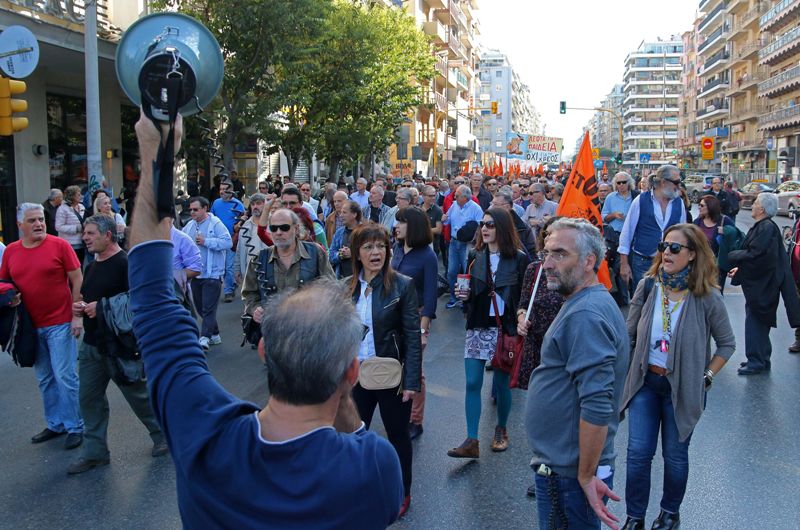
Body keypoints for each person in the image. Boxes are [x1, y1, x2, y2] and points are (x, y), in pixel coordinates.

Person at [128, 111, 403, 527]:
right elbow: (156, 304)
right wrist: (347, 402)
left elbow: (153, 303)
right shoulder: (375, 465)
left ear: (265, 351)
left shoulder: (205, 433)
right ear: (351, 371)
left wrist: (157, 154)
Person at [621, 224, 734, 530]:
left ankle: (670, 512)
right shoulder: (648, 286)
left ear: (693, 254)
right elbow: (627, 335)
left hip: (683, 389)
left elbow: (727, 344)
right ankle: (634, 517)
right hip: (646, 384)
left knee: (674, 456)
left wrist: (707, 376)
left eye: (675, 248)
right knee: (638, 454)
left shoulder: (707, 296)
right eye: (663, 246)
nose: (666, 253)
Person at [525, 217, 628, 530]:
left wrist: (585, 474)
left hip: (569, 474)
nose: (548, 264)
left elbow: (597, 403)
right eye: (545, 254)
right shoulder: (584, 302)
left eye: (559, 254)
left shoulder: (585, 313)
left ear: (589, 262)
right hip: (567, 468)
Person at [67, 215, 168, 474]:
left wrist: (100, 308)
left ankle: (163, 436)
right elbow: (90, 297)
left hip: (119, 345)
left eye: (90, 233)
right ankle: (95, 452)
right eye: (84, 233)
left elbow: (140, 299)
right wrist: (81, 309)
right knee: (88, 399)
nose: (85, 238)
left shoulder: (126, 263)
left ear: (108, 235)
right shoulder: (91, 265)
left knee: (138, 394)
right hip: (91, 344)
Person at [348, 222, 422, 518]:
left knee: (398, 437)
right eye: (368, 247)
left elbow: (412, 337)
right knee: (353, 437)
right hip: (354, 375)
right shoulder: (347, 287)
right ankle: (358, 490)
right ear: (357, 254)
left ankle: (402, 491)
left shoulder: (403, 285)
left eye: (381, 246)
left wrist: (412, 380)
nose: (375, 252)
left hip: (390, 375)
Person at [1, 203, 84, 449]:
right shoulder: (12, 251)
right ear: (19, 225)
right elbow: (5, 281)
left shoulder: (60, 245)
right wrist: (10, 295)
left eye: (41, 219)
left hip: (60, 322)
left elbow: (77, 278)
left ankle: (75, 426)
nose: (39, 224)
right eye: (32, 220)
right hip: (30, 325)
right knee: (45, 378)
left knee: (64, 376)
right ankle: (56, 423)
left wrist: (76, 314)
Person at [447, 208, 528, 459]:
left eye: (491, 224)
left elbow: (524, 296)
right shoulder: (474, 255)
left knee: (502, 384)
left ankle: (501, 429)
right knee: (472, 382)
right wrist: (465, 295)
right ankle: (472, 439)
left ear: (502, 227)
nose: (485, 228)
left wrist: (523, 318)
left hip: (505, 328)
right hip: (478, 324)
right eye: (482, 224)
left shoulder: (519, 258)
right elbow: (469, 291)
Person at [728, 192, 800, 375]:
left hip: (763, 287)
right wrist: (741, 269)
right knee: (759, 322)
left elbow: (756, 255)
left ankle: (756, 361)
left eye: (756, 203)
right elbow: (761, 257)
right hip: (762, 285)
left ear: (761, 209)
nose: (752, 205)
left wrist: (734, 256)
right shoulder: (765, 227)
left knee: (756, 323)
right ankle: (760, 358)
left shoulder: (766, 228)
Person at [391, 207, 438, 441]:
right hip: (393, 316)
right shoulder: (396, 250)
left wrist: (423, 329)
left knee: (414, 371)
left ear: (415, 226)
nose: (396, 226)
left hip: (415, 317)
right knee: (393, 365)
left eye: (401, 222)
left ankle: (415, 420)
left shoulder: (427, 256)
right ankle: (399, 411)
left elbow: (430, 296)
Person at [243, 208, 334, 326]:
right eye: (274, 228)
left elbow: (331, 287)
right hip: (273, 329)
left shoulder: (315, 253)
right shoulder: (259, 259)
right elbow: (249, 294)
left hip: (309, 328)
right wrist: (255, 309)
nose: (278, 232)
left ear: (296, 229)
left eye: (284, 227)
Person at [618, 165, 686, 291]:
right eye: (676, 182)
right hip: (643, 262)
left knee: (667, 302)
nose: (679, 185)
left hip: (670, 262)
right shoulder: (641, 200)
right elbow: (627, 233)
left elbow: (683, 235)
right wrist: (624, 264)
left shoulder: (678, 202)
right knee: (643, 302)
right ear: (663, 182)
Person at [181, 196, 232, 350]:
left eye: (195, 209)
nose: (192, 212)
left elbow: (227, 242)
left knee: (209, 307)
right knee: (201, 307)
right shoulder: (189, 226)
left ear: (205, 208)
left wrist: (206, 241)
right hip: (195, 273)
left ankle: (204, 337)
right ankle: (214, 333)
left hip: (213, 273)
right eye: (190, 210)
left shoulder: (215, 224)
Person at [443, 185, 484, 309]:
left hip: (468, 245)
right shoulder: (454, 205)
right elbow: (447, 220)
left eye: (457, 196)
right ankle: (454, 298)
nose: (454, 197)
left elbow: (481, 226)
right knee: (451, 272)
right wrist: (444, 219)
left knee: (467, 273)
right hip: (454, 243)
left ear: (465, 197)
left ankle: (466, 299)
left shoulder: (476, 208)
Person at [603, 172, 637, 306]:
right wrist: (613, 215)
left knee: (633, 266)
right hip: (616, 236)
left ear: (629, 183)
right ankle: (623, 299)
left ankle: (634, 295)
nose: (621, 185)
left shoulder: (636, 197)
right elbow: (603, 216)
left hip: (633, 237)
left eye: (624, 182)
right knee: (618, 267)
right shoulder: (610, 197)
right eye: (618, 182)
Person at [210, 180, 245, 303]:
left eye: (225, 189)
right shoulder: (216, 203)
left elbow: (243, 221)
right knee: (219, 266)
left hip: (231, 239)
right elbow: (211, 218)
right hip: (218, 239)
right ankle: (231, 284)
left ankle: (228, 291)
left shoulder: (237, 204)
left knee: (229, 266)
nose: (222, 192)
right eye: (221, 189)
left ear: (231, 191)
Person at [693, 195, 735, 292]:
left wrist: (725, 231)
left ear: (711, 206)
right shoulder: (697, 222)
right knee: (699, 292)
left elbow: (736, 235)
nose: (699, 207)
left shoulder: (724, 220)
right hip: (699, 264)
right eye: (699, 205)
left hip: (717, 265)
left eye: (702, 205)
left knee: (715, 293)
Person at [234, 193, 269, 288]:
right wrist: (237, 269)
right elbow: (239, 250)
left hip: (268, 272)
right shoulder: (246, 226)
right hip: (249, 273)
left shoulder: (273, 224)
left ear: (265, 204)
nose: (255, 207)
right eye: (253, 204)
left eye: (258, 203)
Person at [491, 190, 537, 259]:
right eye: (492, 204)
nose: (492, 207)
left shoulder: (523, 228)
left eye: (496, 204)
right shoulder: (487, 225)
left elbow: (531, 254)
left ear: (507, 207)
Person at [330, 201, 363, 279]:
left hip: (361, 279)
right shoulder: (339, 233)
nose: (341, 215)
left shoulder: (365, 232)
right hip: (341, 281)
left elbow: (371, 256)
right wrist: (340, 255)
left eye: (344, 212)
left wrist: (353, 254)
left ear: (354, 214)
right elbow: (331, 255)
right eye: (341, 212)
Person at [56, 185, 86, 265]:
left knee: (81, 265)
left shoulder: (82, 206)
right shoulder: (62, 209)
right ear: (71, 196)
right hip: (70, 243)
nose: (81, 196)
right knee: (72, 266)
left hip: (82, 242)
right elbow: (58, 226)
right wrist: (76, 228)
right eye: (78, 195)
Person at [421, 185, 444, 258]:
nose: (433, 198)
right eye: (430, 196)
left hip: (432, 247)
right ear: (423, 196)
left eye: (434, 195)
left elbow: (438, 230)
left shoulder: (437, 211)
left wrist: (421, 230)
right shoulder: (417, 209)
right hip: (418, 245)